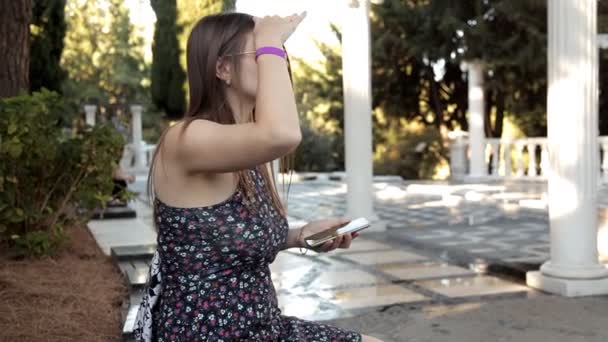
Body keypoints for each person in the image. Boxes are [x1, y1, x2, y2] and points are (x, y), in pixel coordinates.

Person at [133, 12, 383, 342]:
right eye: (261, 53)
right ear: (223, 69)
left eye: (277, 53)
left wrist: (301, 235)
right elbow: (282, 133)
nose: (274, 60)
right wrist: (270, 37)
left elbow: (227, 243)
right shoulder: (185, 139)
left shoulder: (246, 149)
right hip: (205, 334)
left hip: (264, 328)